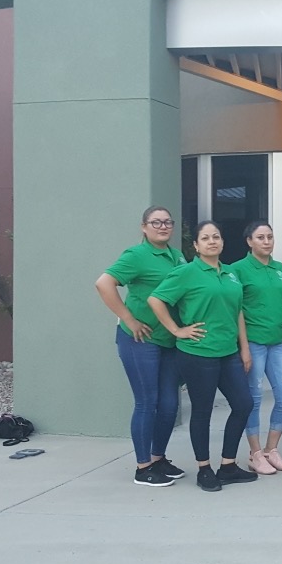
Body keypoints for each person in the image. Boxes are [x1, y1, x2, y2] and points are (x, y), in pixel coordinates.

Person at [148, 221, 258, 492]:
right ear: (196, 246)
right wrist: (177, 330)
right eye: (205, 238)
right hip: (198, 354)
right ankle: (204, 469)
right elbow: (155, 299)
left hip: (228, 352)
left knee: (243, 404)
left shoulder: (230, 274)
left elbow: (238, 311)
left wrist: (244, 348)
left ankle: (228, 466)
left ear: (222, 242)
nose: (212, 242)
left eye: (216, 237)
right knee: (202, 411)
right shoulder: (186, 272)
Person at [94, 206, 188, 487]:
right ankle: (143, 467)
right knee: (147, 401)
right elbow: (103, 283)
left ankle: (158, 458)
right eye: (156, 222)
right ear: (144, 227)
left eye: (167, 222)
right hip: (140, 340)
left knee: (169, 404)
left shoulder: (177, 256)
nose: (163, 226)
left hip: (168, 340)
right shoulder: (136, 255)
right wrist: (129, 319)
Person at [231, 221, 282, 475]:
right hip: (253, 343)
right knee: (254, 399)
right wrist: (243, 347)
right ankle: (255, 454)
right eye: (260, 237)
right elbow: (236, 310)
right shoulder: (238, 269)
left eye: (270, 236)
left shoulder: (279, 268)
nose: (267, 241)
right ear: (249, 241)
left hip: (276, 342)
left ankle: (271, 450)